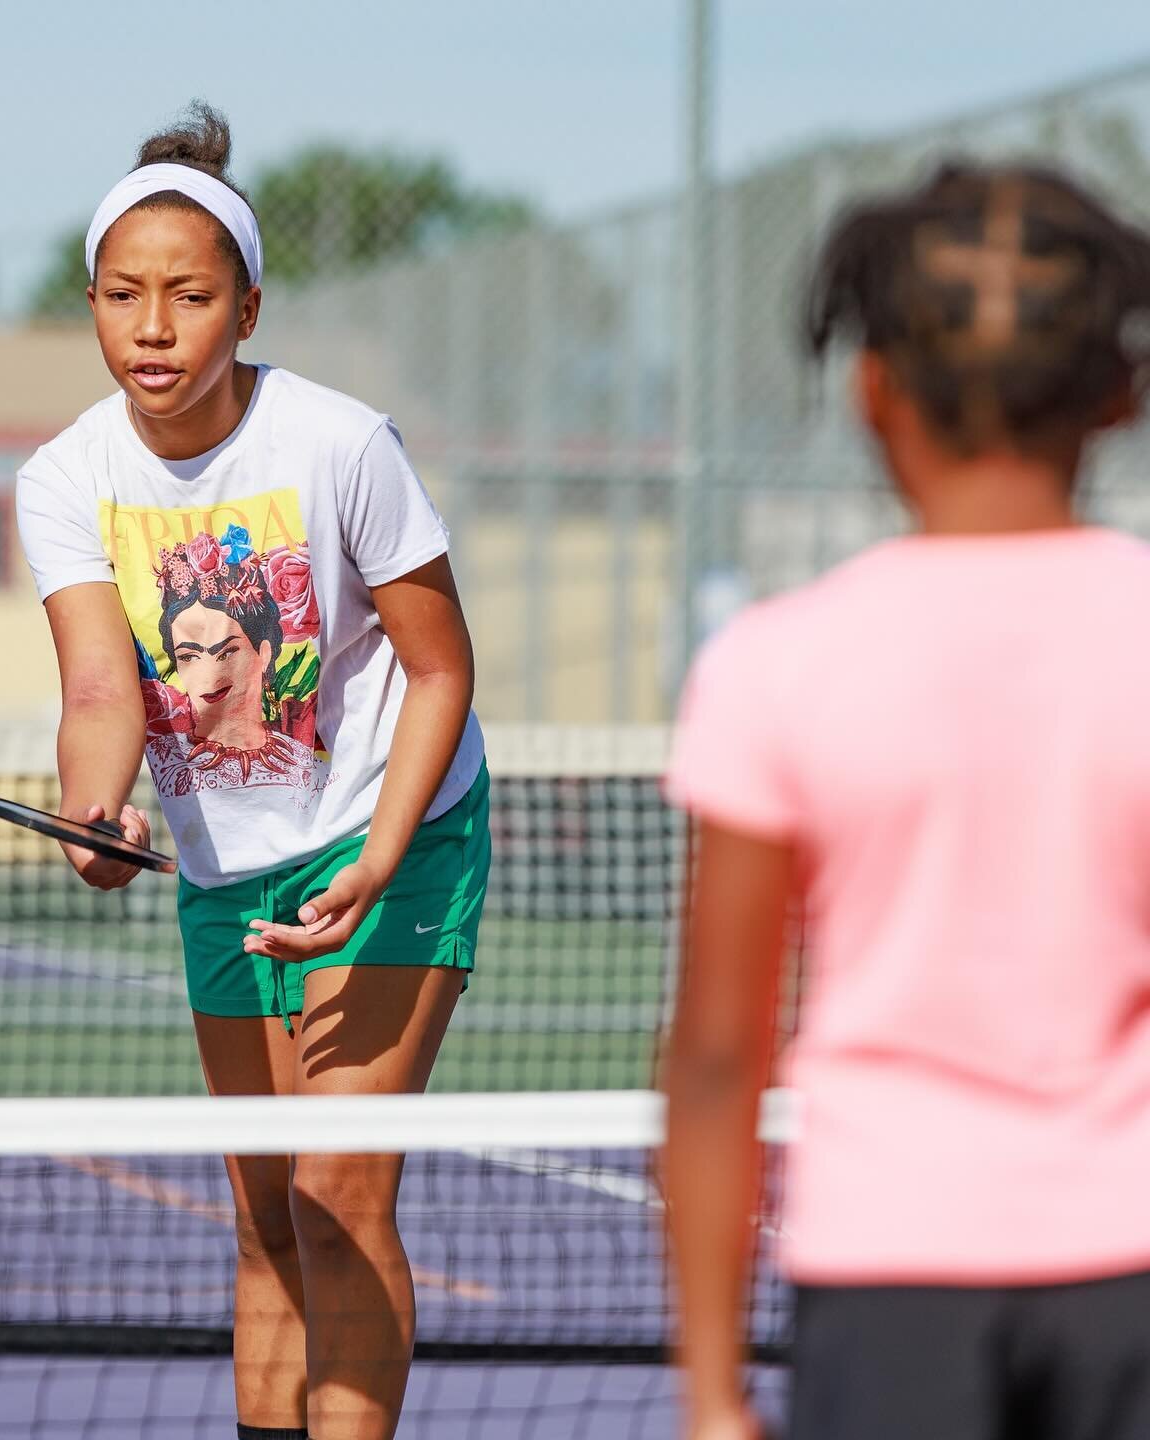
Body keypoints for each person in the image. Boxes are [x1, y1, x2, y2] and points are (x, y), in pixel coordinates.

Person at [15, 102, 489, 1440]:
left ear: (249, 308)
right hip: (225, 857)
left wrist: (381, 858)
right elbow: (103, 687)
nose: (152, 325)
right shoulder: (66, 479)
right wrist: (96, 811)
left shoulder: (340, 445)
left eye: (189, 295)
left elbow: (442, 669)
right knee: (268, 1211)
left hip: (394, 827)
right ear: (93, 306)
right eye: (123, 295)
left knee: (340, 1194)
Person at [662, 160, 1150, 1440]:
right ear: (1120, 394)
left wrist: (713, 1394)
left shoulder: (774, 664)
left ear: (872, 392)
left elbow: (718, 1058)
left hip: (888, 1285)